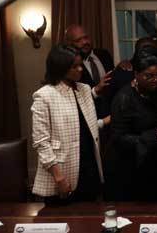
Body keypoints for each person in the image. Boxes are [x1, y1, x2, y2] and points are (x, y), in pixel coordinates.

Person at [31, 45, 103, 203]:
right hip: (62, 172)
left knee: (91, 222)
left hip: (89, 167)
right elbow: (41, 143)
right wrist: (59, 177)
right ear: (60, 68)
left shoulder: (84, 89)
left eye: (80, 65)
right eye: (74, 66)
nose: (80, 69)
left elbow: (85, 128)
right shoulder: (44, 96)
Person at [105, 51, 157, 201]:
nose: (155, 79)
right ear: (136, 74)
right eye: (149, 76)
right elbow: (118, 137)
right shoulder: (124, 98)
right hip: (127, 166)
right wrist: (146, 138)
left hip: (152, 163)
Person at [65, 24, 114, 119]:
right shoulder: (70, 65)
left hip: (111, 114)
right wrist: (97, 89)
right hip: (87, 117)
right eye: (78, 40)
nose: (85, 42)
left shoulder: (104, 54)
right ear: (70, 43)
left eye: (86, 37)